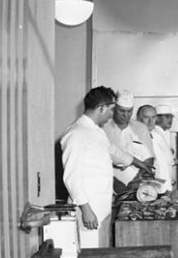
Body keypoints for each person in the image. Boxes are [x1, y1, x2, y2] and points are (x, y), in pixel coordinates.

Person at [60, 87, 152, 248]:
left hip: (102, 205)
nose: (112, 115)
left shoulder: (96, 131)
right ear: (101, 108)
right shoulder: (76, 133)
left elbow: (114, 152)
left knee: (101, 249)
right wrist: (86, 210)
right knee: (89, 252)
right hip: (88, 209)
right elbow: (71, 177)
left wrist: (138, 162)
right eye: (111, 110)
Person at [102, 90, 154, 190]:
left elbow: (149, 159)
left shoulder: (141, 128)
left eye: (129, 111)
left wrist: (137, 180)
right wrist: (114, 182)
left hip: (137, 186)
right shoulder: (104, 127)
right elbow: (99, 160)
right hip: (108, 183)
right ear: (114, 108)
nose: (126, 115)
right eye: (122, 111)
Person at [137, 104, 174, 194]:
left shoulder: (157, 136)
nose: (150, 121)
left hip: (163, 189)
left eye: (153, 117)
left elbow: (164, 164)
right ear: (138, 118)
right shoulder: (134, 137)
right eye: (146, 117)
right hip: (146, 190)